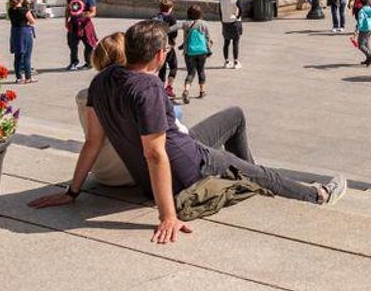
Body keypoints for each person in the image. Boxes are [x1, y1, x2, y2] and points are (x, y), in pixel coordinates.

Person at [29, 20, 347, 243]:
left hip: (162, 165)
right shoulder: (148, 87)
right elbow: (155, 153)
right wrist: (167, 215)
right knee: (266, 175)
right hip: (188, 167)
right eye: (167, 49)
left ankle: (249, 170)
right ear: (159, 56)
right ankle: (317, 194)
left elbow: (93, 141)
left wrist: (72, 191)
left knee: (234, 115)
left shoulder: (101, 80)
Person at [72, 33, 135, 187]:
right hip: (133, 173)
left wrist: (73, 189)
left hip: (101, 171)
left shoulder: (84, 96)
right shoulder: (136, 93)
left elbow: (93, 140)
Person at [65, 0, 98, 70]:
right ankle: (74, 62)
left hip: (85, 24)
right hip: (74, 23)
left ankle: (88, 63)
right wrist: (66, 21)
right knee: (72, 44)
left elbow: (93, 12)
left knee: (89, 44)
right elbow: (68, 9)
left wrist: (87, 15)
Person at [8, 0, 36, 83]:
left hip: (15, 31)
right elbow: (32, 21)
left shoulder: (11, 10)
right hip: (25, 32)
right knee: (27, 56)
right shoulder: (24, 10)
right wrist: (28, 7)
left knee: (18, 56)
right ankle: (28, 77)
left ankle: (19, 77)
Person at [154, 0, 180, 98]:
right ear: (170, 8)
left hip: (157, 45)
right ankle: (168, 88)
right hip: (168, 45)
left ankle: (160, 88)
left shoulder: (155, 17)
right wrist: (173, 42)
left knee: (162, 68)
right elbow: (174, 33)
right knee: (173, 66)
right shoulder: (171, 18)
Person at [219, 0, 243, 70]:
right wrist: (237, 17)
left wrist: (222, 20)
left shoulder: (222, 0)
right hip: (234, 22)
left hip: (225, 22)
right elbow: (241, 10)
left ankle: (226, 61)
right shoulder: (236, 0)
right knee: (235, 43)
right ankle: (236, 62)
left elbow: (220, 12)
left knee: (226, 43)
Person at [353, 0, 371, 66]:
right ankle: (369, 59)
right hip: (370, 28)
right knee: (366, 44)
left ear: (360, 3)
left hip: (364, 29)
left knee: (361, 45)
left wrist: (356, 30)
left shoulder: (362, 11)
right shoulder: (370, 9)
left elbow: (360, 21)